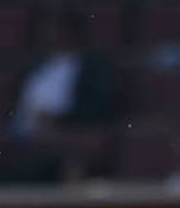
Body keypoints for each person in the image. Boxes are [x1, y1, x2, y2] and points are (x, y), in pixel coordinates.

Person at [11, 8, 113, 138]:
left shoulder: (90, 68)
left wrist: (58, 121)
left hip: (67, 138)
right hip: (26, 137)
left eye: (56, 28)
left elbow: (93, 110)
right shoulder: (38, 65)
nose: (50, 33)